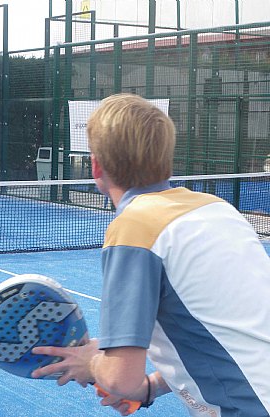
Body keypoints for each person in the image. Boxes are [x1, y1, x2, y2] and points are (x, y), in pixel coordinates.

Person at [30, 94, 270, 417]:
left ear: (96, 165)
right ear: (166, 159)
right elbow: (220, 334)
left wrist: (93, 362)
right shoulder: (218, 210)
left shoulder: (135, 227)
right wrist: (151, 386)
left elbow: (120, 379)